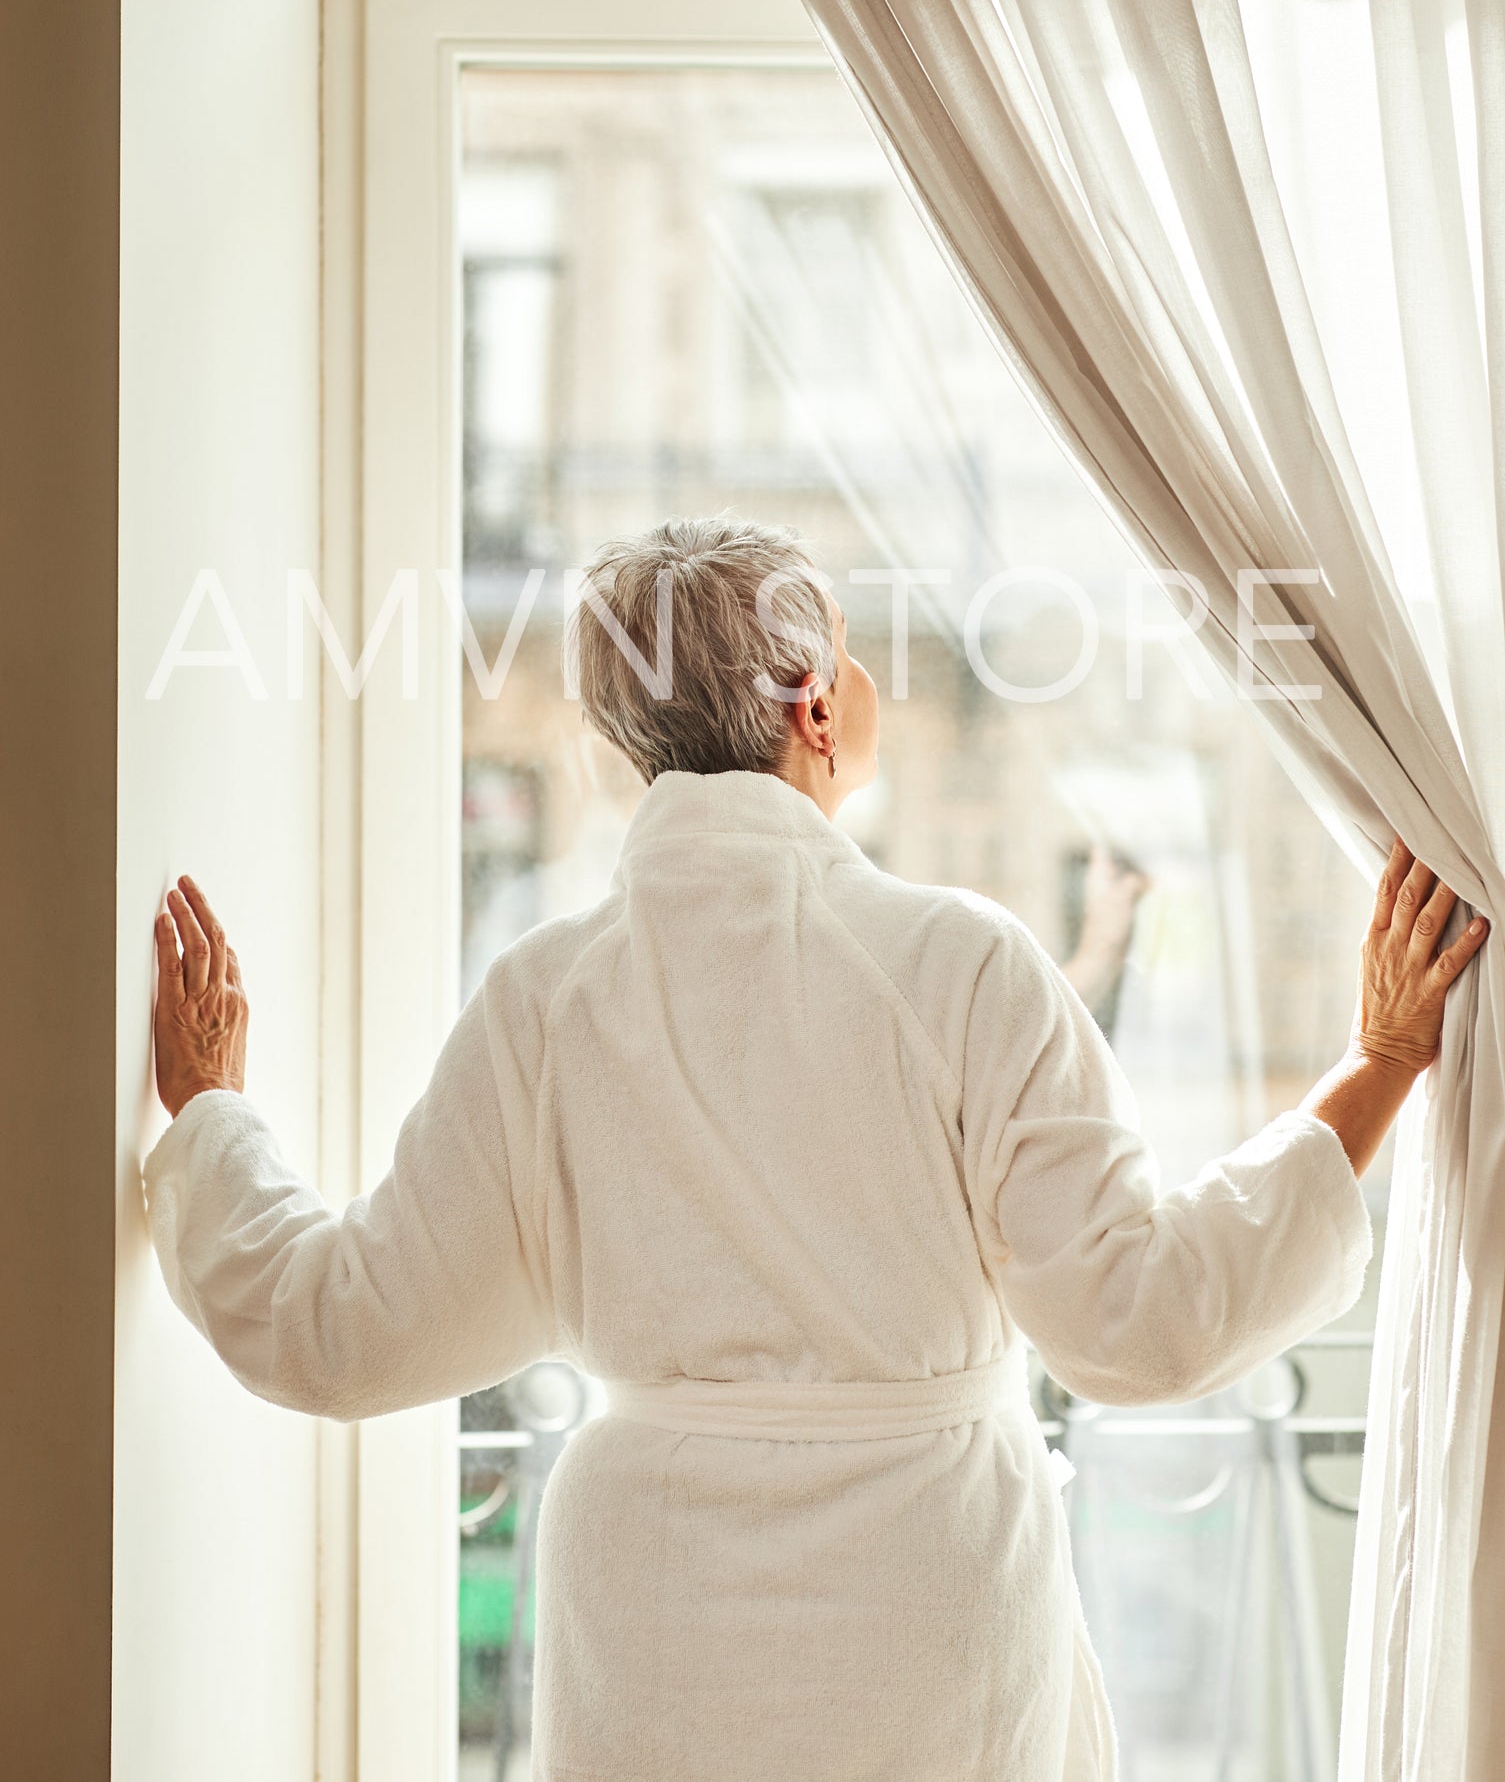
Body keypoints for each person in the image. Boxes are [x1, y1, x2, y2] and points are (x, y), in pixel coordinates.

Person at [145, 515, 1488, 1782]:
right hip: (932, 1615)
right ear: (815, 709)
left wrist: (210, 1115)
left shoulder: (541, 1001)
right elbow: (1138, 1320)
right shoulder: (963, 967)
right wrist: (1375, 1064)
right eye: (847, 648)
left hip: (650, 1621)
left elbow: (341, 1325)